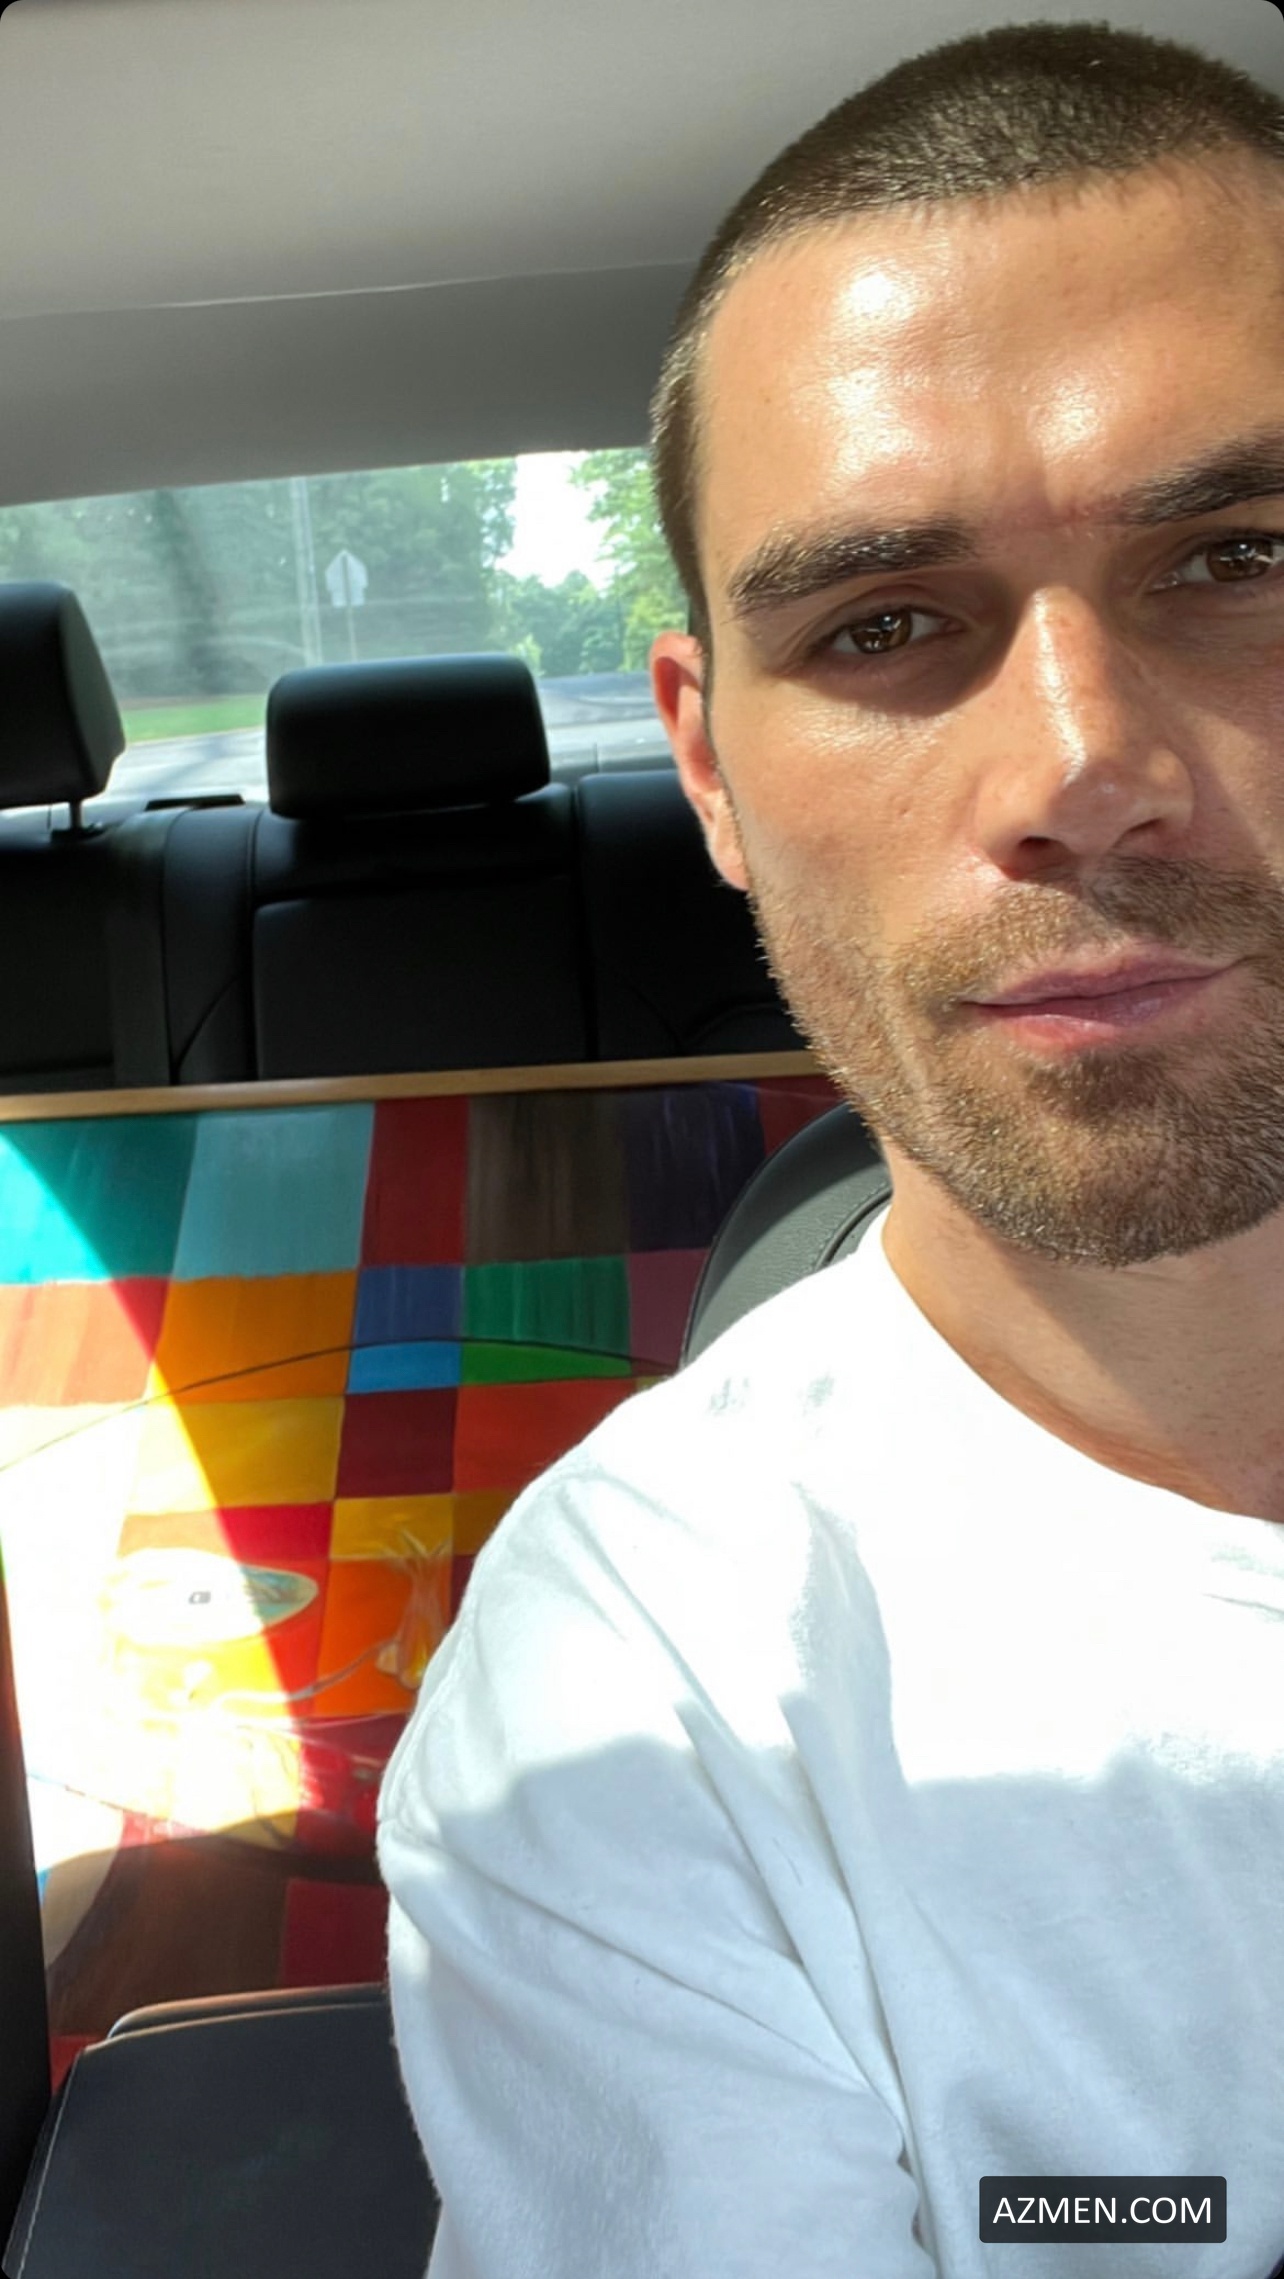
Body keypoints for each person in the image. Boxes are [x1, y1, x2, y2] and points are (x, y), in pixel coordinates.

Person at [378, 20, 1284, 2275]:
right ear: (706, 765)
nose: (1079, 771)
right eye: (882, 624)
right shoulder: (643, 1701)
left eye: (1243, 555)